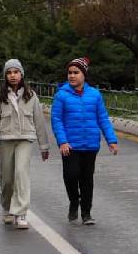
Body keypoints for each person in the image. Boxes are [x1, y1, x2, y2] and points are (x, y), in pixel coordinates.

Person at [50, 57, 118, 225]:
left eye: (76, 72)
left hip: (90, 144)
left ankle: (86, 213)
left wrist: (111, 140)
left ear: (84, 75)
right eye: (70, 73)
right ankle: (74, 201)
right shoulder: (61, 95)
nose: (72, 76)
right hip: (70, 145)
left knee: (87, 179)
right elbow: (56, 120)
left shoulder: (94, 95)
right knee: (71, 175)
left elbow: (102, 119)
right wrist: (62, 141)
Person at [0, 59, 50, 229]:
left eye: (16, 72)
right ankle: (7, 208)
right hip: (6, 139)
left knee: (21, 174)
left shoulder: (31, 96)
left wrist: (44, 146)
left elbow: (39, 121)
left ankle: (21, 213)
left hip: (25, 139)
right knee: (7, 179)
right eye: (9, 72)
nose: (13, 76)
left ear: (22, 74)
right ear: (5, 76)